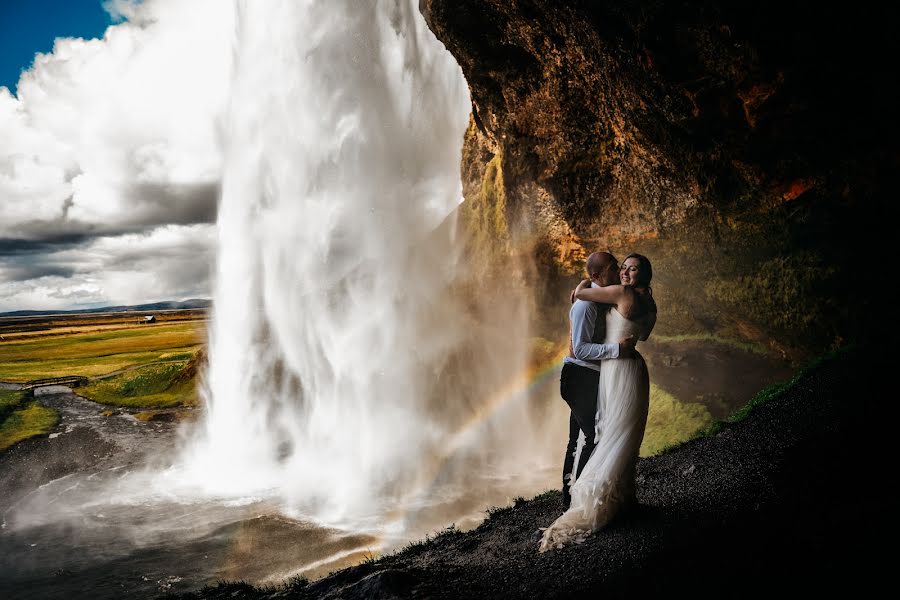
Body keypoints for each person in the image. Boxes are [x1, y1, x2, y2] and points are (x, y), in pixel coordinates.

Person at [539, 253, 657, 552]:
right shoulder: (644, 301)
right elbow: (582, 342)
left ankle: (581, 499)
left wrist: (582, 285)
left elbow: (582, 295)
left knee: (600, 435)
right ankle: (593, 496)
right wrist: (585, 287)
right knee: (612, 435)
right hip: (620, 369)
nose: (624, 271)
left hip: (613, 369)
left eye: (631, 268)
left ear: (643, 275)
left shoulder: (619, 293)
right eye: (620, 267)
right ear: (604, 272)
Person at [558, 251, 635, 510]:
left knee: (578, 439)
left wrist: (582, 286)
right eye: (614, 268)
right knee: (590, 438)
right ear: (597, 276)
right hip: (579, 376)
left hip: (587, 376)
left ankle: (570, 498)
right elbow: (580, 349)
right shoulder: (586, 305)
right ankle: (575, 501)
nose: (619, 273)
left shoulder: (596, 294)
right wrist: (617, 351)